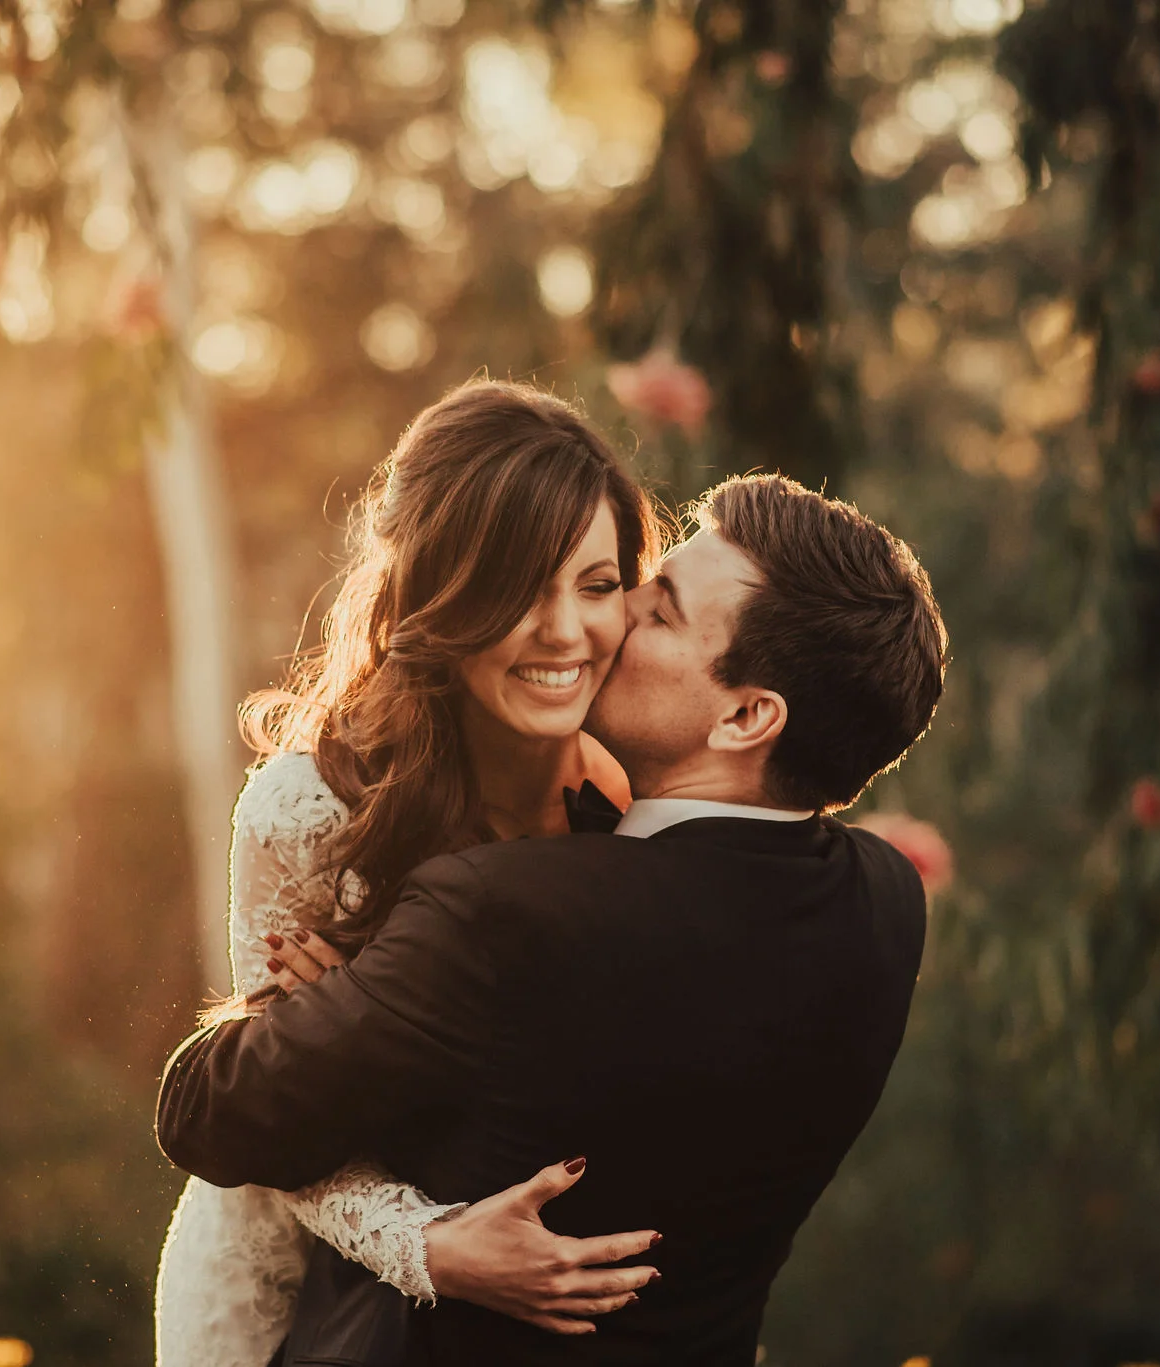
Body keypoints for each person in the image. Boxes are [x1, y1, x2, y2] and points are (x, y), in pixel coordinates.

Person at [157, 473, 949, 1366]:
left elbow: (205, 1111)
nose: (617, 616)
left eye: (662, 609)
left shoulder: (504, 912)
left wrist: (351, 1002)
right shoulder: (886, 901)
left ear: (746, 715)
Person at [153, 380, 669, 1367]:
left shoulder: (637, 803)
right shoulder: (307, 808)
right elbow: (263, 1117)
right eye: (519, 585)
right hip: (289, 1300)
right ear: (437, 593)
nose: (565, 630)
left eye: (597, 584)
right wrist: (431, 1245)